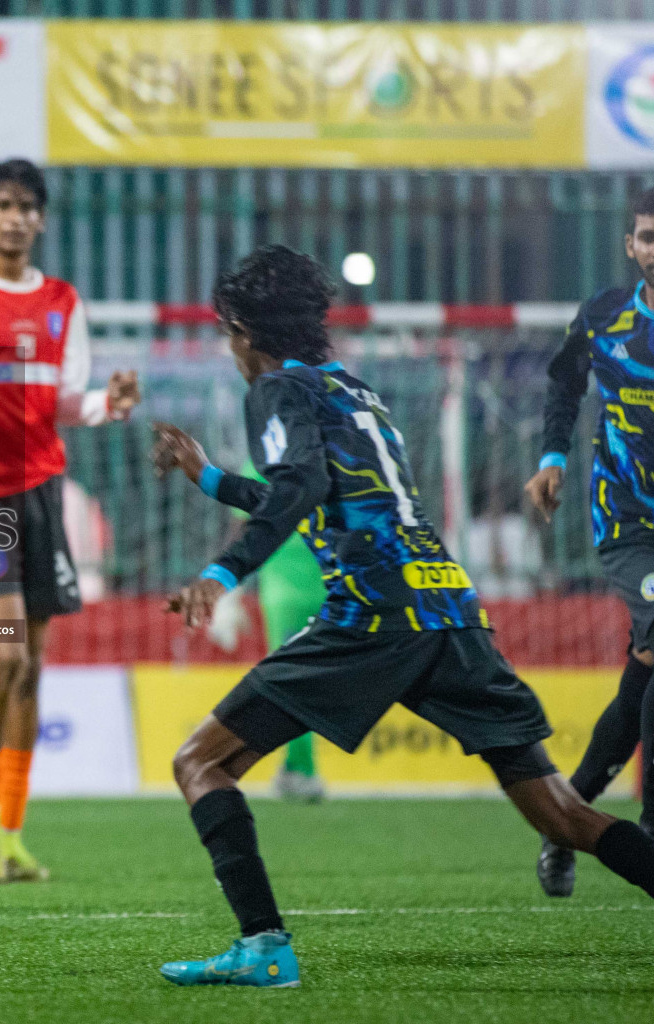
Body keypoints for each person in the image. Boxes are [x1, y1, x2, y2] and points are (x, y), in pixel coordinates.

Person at [151, 245, 654, 988]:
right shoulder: (354, 390)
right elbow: (322, 497)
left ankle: (263, 947)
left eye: (229, 335)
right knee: (560, 815)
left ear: (244, 331)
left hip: (373, 612)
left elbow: (300, 487)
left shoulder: (278, 391)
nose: (230, 351)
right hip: (449, 606)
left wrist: (220, 572)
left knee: (202, 762)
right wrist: (212, 477)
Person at [0, 158, 139, 883]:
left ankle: (13, 832)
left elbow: (66, 400)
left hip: (41, 491)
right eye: (2, 205)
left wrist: (109, 404)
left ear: (42, 219)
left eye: (28, 206)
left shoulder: (61, 301)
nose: (16, 217)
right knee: (7, 660)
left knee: (35, 669)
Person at [525, 188, 654, 896]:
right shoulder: (606, 318)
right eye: (648, 236)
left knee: (645, 672)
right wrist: (551, 459)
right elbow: (563, 386)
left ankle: (565, 814)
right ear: (631, 246)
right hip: (628, 522)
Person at [208, 460, 328, 803]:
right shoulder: (337, 451)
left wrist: (227, 591)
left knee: (293, 679)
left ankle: (300, 771)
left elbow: (242, 528)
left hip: (287, 590)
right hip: (337, 580)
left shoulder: (264, 459)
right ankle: (296, 767)